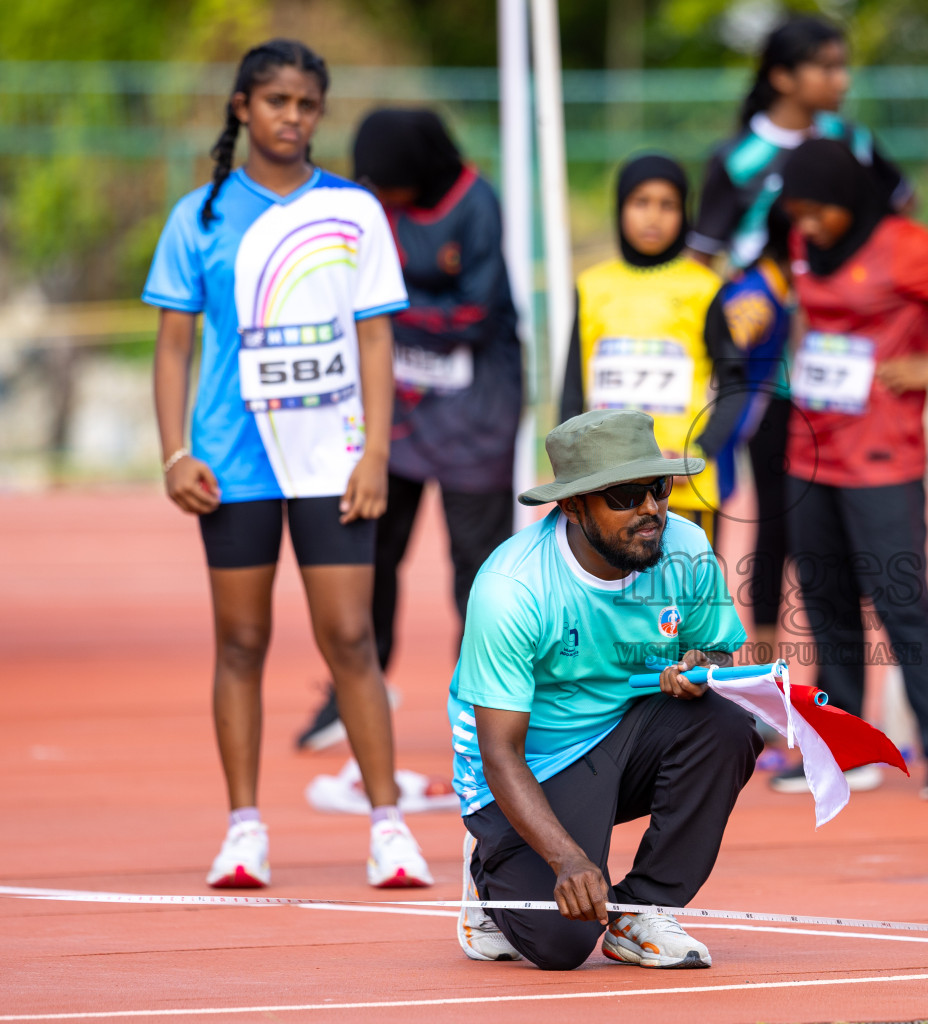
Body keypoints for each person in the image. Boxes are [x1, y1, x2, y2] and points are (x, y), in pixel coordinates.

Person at [143, 39, 432, 889]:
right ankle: (244, 828)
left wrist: (378, 450)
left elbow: (377, 335)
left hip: (332, 458)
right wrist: (173, 453)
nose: (292, 118)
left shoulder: (355, 211)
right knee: (240, 640)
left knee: (351, 638)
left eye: (307, 104)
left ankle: (388, 827)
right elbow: (172, 349)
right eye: (276, 102)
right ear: (243, 107)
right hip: (232, 462)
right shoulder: (198, 217)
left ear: (320, 112)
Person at [448, 409, 760, 970]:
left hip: (624, 736)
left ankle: (642, 909)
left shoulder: (686, 547)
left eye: (658, 488)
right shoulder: (512, 588)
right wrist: (567, 859)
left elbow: (718, 651)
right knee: (559, 947)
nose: (650, 510)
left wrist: (699, 664)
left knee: (726, 722)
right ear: (571, 505)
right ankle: (487, 866)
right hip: (529, 767)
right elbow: (499, 751)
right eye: (624, 496)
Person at [771, 139, 928, 799]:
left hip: (882, 455)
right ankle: (843, 750)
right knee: (824, 604)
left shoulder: (902, 244)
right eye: (799, 214)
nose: (809, 226)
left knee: (902, 604)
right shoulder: (799, 243)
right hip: (810, 448)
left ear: (849, 199)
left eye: (818, 213)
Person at [295, 108, 524, 751]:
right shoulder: (370, 206)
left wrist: (387, 315)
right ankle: (354, 689)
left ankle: (483, 709)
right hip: (396, 411)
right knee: (372, 554)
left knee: (477, 571)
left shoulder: (475, 204)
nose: (380, 198)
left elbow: (476, 312)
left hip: (477, 413)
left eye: (389, 186)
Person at [561, 155, 748, 547]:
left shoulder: (703, 287)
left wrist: (700, 452)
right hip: (606, 485)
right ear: (620, 208)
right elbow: (573, 390)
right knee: (610, 602)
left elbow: (735, 383)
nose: (653, 217)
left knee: (686, 602)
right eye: (640, 202)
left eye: (668, 205)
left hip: (681, 487)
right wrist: (574, 470)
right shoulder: (592, 286)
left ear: (685, 213)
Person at [688, 14, 911, 271]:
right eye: (828, 68)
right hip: (767, 304)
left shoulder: (853, 139)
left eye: (842, 67)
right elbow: (702, 254)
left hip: (847, 299)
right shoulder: (737, 159)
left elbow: (902, 202)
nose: (843, 81)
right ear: (782, 77)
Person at [708, 207, 796, 653]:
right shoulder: (758, 297)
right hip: (737, 423)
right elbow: (720, 352)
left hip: (758, 419)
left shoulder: (776, 285)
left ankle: (761, 660)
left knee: (775, 531)